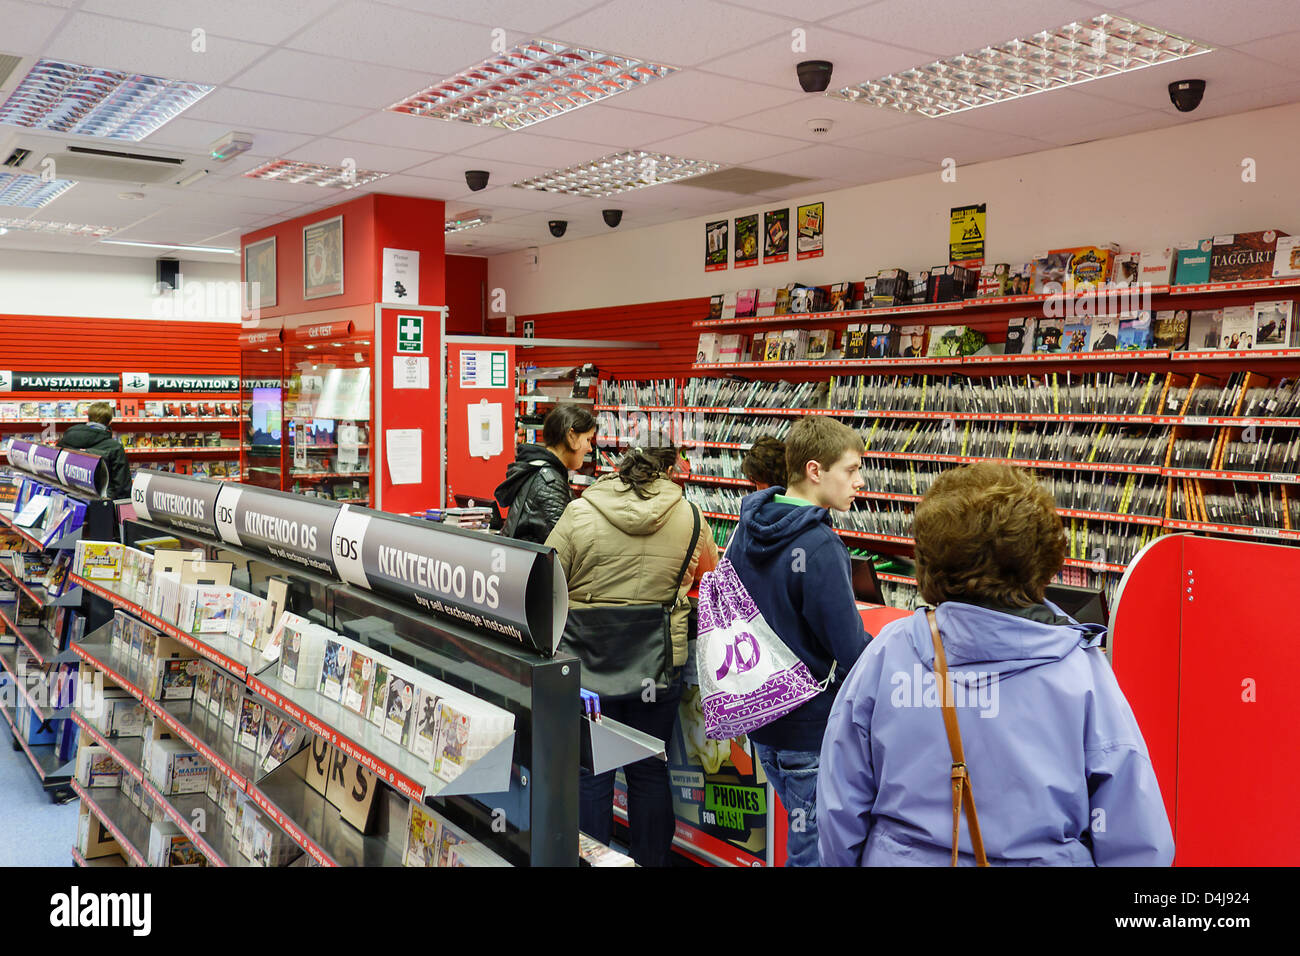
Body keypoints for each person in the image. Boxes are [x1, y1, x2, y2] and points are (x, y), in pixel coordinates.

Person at [818, 463, 1175, 866]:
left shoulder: (889, 653)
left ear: (930, 559)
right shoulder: (1081, 671)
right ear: (1043, 557)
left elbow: (840, 808)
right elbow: (1137, 836)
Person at [546, 444, 719, 866]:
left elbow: (547, 576)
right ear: (665, 473)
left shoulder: (580, 512)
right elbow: (709, 575)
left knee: (593, 770)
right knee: (648, 767)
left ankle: (591, 860)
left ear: (617, 473)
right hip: (658, 662)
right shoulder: (691, 516)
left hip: (589, 662)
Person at [724, 416, 872, 867]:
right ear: (814, 471)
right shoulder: (820, 545)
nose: (860, 482)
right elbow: (850, 648)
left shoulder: (746, 526)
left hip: (761, 718)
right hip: (809, 727)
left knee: (801, 834)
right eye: (850, 470)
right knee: (814, 852)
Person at [494, 404, 597, 545]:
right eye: (588, 439)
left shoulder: (538, 471)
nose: (590, 448)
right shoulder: (548, 484)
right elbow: (568, 545)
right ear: (571, 436)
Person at [56, 400, 132, 499]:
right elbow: (122, 486)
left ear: (88, 418)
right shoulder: (114, 447)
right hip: (101, 504)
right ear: (110, 421)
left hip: (69, 497)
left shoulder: (66, 439)